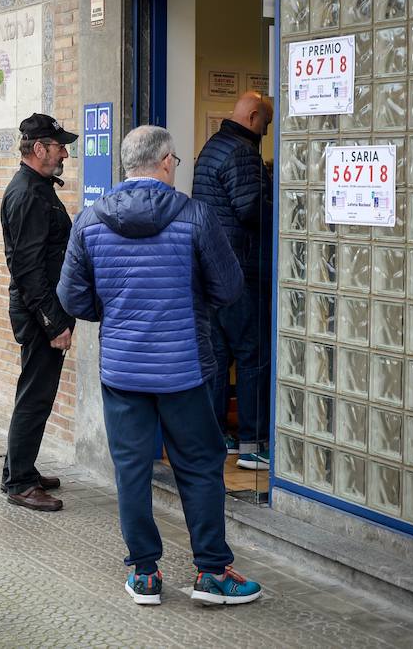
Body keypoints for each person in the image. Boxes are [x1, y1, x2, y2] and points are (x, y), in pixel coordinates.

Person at [57, 125, 263, 607]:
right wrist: (196, 307)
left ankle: (145, 574)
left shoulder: (89, 220)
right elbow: (228, 288)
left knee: (131, 470)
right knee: (199, 467)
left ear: (127, 166)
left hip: (123, 370)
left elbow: (72, 298)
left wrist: (115, 312)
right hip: (185, 368)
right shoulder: (195, 216)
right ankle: (212, 572)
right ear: (166, 162)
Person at [192, 89, 274, 470]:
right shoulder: (242, 152)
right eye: (267, 124)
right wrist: (278, 196)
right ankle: (254, 443)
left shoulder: (213, 147)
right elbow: (252, 209)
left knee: (219, 356)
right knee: (253, 356)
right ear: (254, 116)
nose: (267, 131)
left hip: (213, 270)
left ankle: (216, 435)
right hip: (241, 271)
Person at [0, 113, 77, 512]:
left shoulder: (36, 187)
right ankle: (20, 482)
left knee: (32, 391)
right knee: (36, 395)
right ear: (40, 148)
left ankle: (18, 466)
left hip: (38, 308)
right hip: (38, 313)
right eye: (60, 145)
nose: (66, 152)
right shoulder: (29, 193)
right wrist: (54, 321)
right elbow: (27, 268)